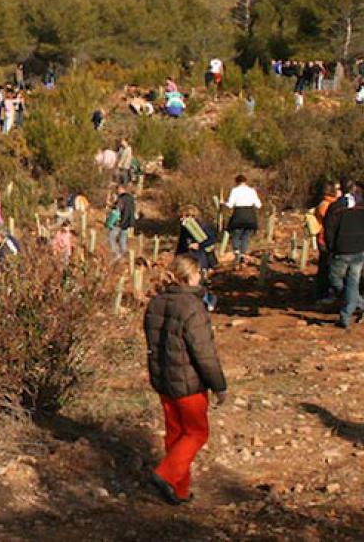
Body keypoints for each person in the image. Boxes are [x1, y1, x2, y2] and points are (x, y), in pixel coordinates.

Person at [144, 256, 227, 505]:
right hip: (189, 383)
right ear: (189, 277)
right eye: (198, 273)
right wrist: (219, 385)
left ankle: (179, 491)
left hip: (163, 379)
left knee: (176, 434)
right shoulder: (192, 307)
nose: (201, 276)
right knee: (197, 433)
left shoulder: (156, 303)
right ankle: (166, 475)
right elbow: (204, 352)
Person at [323, 183, 364, 329]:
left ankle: (351, 309)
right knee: (352, 282)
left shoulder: (336, 207)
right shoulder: (361, 205)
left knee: (335, 279)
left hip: (342, 249)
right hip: (359, 249)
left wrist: (331, 247)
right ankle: (348, 313)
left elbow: (328, 229)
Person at [176, 206, 219, 311]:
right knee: (190, 283)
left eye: (184, 216)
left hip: (201, 258)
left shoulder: (203, 227)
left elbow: (212, 239)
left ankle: (209, 300)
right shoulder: (184, 228)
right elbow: (181, 244)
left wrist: (199, 245)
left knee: (198, 283)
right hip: (189, 259)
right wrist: (177, 257)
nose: (182, 219)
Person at [314, 182, 342, 303]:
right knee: (327, 267)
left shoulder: (327, 204)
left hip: (324, 238)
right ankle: (325, 294)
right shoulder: (327, 205)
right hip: (325, 240)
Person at [225, 175, 262, 268]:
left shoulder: (235, 190)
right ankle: (243, 255)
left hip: (239, 214)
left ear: (236, 182)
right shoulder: (252, 191)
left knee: (235, 234)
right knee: (246, 236)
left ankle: (236, 252)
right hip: (250, 215)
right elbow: (259, 205)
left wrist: (223, 203)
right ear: (246, 181)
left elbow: (230, 205)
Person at [107, 184, 137, 260]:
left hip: (121, 222)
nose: (117, 191)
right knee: (123, 239)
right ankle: (124, 255)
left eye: (118, 190)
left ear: (121, 189)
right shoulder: (131, 198)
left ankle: (117, 254)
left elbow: (117, 210)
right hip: (128, 222)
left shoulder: (121, 199)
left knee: (111, 237)